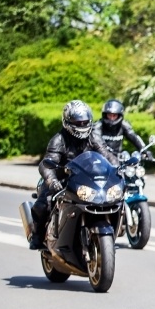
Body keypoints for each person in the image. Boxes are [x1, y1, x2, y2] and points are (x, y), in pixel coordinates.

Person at [29, 100, 119, 250]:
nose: (82, 125)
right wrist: (52, 181)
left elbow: (107, 156)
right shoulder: (59, 140)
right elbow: (46, 164)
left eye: (85, 122)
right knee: (44, 203)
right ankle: (37, 236)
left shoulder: (94, 137)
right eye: (78, 122)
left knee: (113, 198)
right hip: (62, 180)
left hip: (85, 180)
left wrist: (118, 169)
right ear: (67, 122)